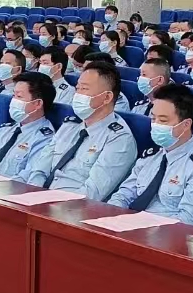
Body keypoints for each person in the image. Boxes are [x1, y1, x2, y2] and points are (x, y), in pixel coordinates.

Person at [108, 84, 193, 225]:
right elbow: (124, 194)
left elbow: (189, 221)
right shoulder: (152, 154)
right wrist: (110, 215)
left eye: (163, 120)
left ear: (186, 124)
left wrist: (141, 230)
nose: (155, 125)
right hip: (124, 225)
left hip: (163, 233)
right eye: (153, 119)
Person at [42, 60, 137, 199]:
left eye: (84, 89)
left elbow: (92, 194)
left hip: (70, 206)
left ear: (107, 97)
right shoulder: (70, 125)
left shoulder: (119, 139)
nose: (77, 95)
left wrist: (47, 204)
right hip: (38, 198)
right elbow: (39, 169)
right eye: (77, 88)